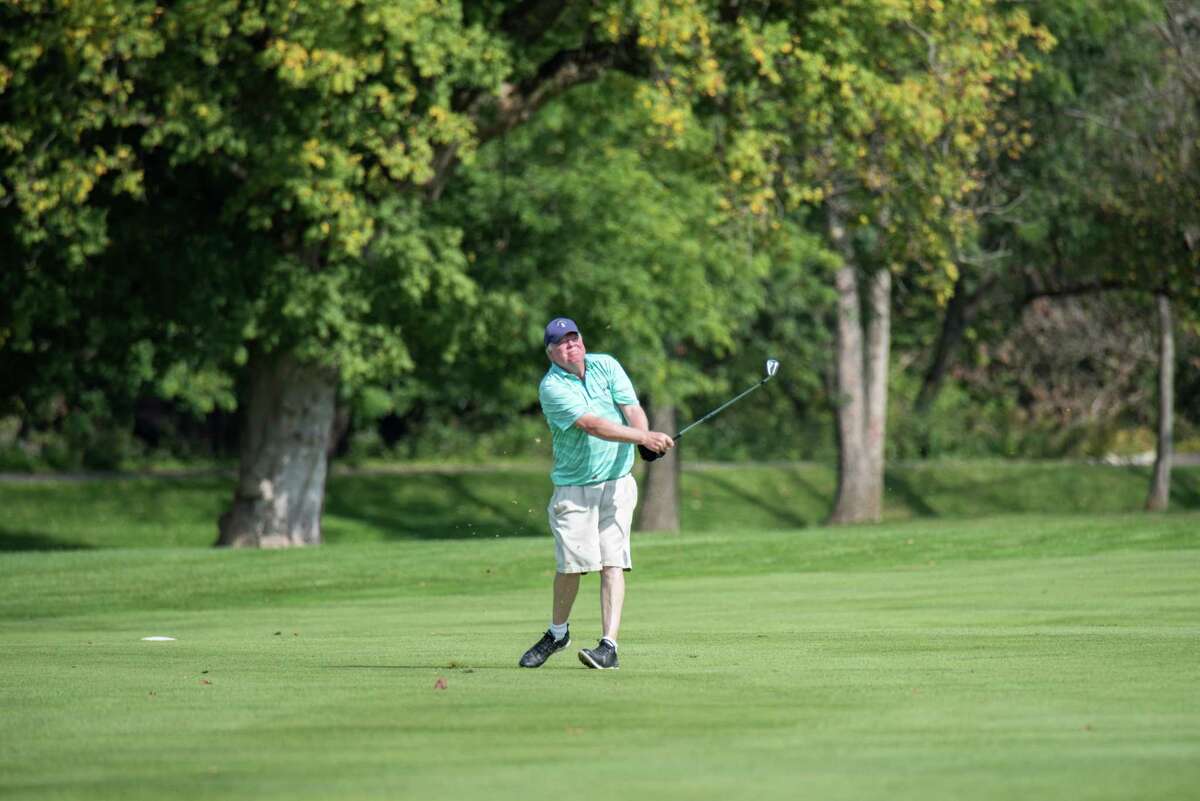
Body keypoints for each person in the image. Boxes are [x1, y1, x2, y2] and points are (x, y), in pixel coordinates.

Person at [518, 317, 674, 670]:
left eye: (574, 338)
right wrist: (643, 439)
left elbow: (632, 408)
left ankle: (609, 646)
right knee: (573, 566)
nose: (570, 345)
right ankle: (558, 632)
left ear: (582, 341)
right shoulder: (552, 387)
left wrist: (644, 439)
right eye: (561, 342)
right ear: (551, 352)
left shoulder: (607, 365)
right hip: (575, 488)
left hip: (618, 482)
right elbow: (593, 425)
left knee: (612, 562)